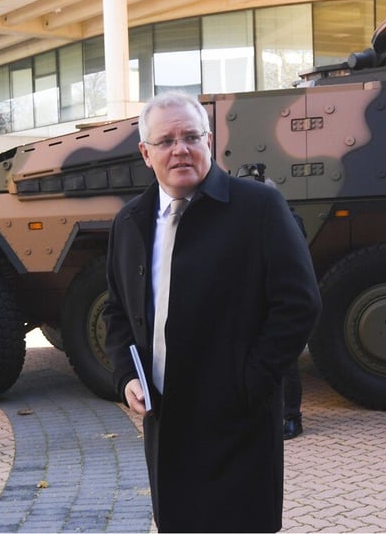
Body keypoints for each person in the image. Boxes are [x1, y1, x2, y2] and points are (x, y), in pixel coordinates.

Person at [103, 92, 322, 532]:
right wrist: (128, 375)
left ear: (210, 140)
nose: (179, 149)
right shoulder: (130, 222)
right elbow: (117, 312)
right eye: (165, 141)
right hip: (166, 423)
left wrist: (250, 382)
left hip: (237, 424)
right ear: (146, 153)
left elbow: (299, 303)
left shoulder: (257, 207)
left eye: (190, 137)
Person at [236, 162, 307, 440]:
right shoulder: (238, 219)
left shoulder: (287, 218)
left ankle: (292, 417)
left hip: (275, 299)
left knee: (287, 362)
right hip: (248, 300)